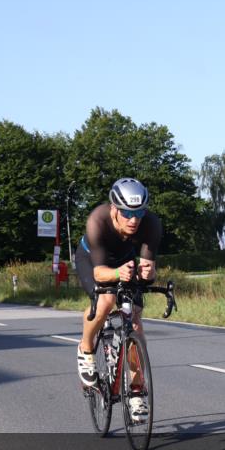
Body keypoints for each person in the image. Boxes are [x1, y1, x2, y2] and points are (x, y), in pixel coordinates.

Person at [75, 178, 162, 422]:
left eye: (139, 212)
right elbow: (99, 273)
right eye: (126, 213)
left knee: (134, 322)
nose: (134, 220)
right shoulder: (97, 220)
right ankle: (86, 348)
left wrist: (148, 273)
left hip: (126, 261)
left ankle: (136, 392)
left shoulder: (151, 225)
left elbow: (149, 269)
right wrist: (115, 274)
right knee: (105, 301)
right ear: (114, 208)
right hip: (93, 260)